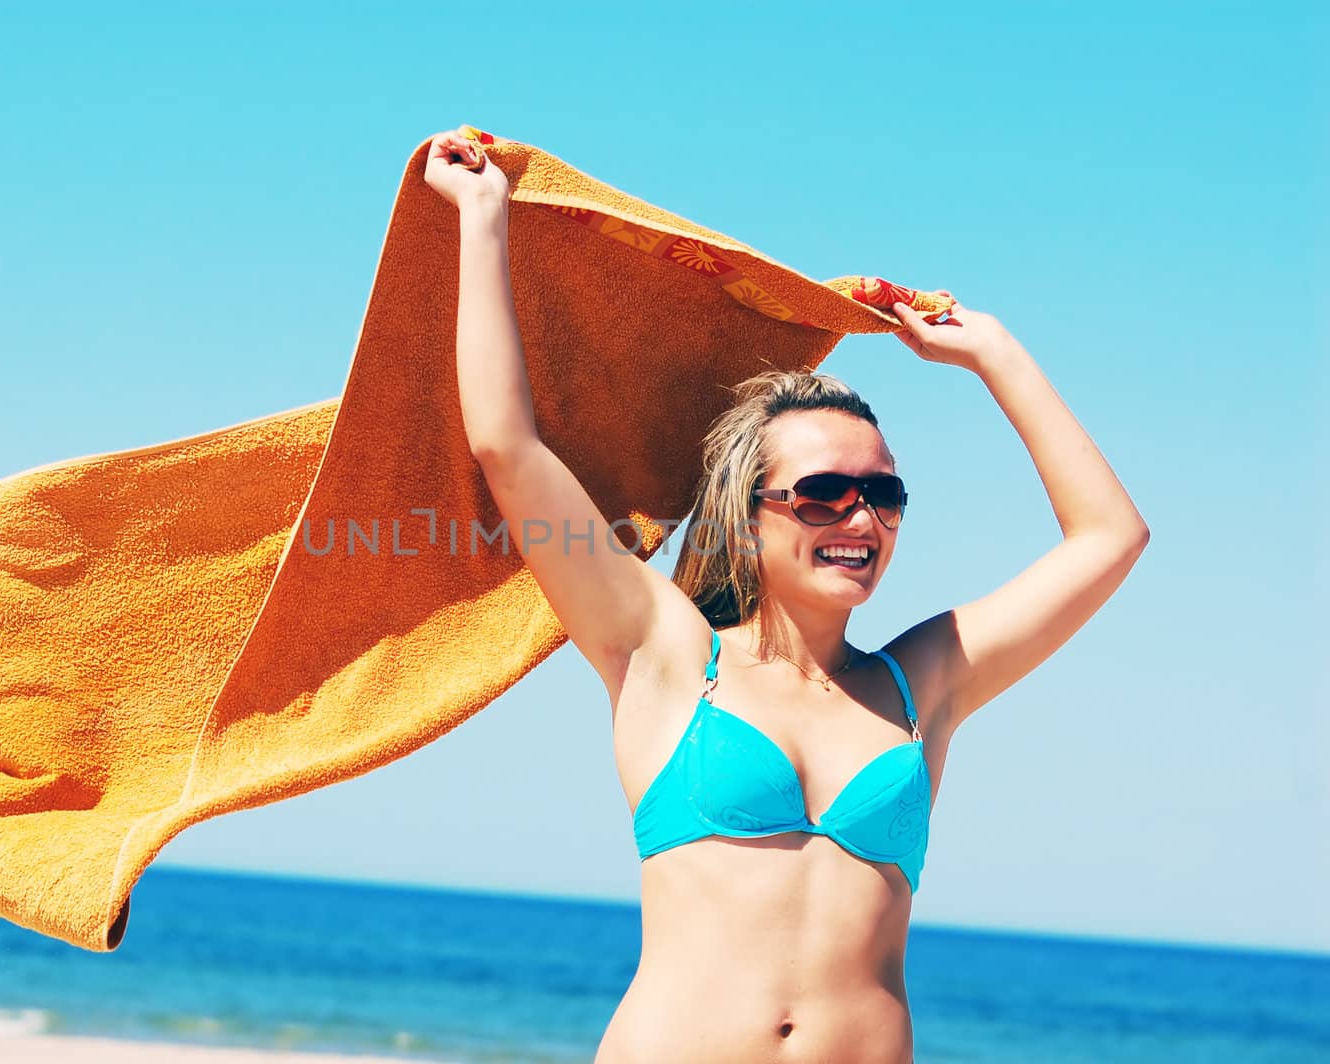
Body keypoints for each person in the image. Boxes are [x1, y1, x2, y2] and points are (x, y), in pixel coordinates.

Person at [422, 125, 1150, 1064]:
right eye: (822, 493)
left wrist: (997, 355)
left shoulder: (921, 683)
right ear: (744, 515)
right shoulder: (664, 650)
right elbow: (507, 450)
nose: (860, 518)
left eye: (882, 494)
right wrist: (483, 222)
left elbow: (1110, 537)